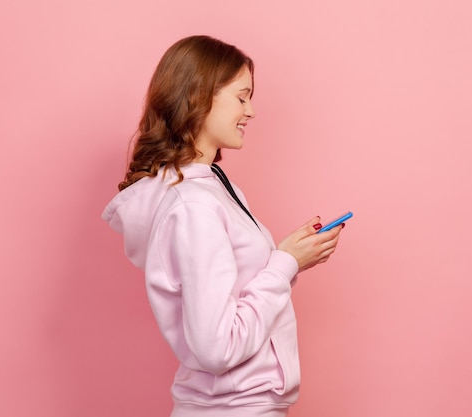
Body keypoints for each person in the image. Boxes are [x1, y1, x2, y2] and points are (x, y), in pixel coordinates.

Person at [102, 35, 345, 417]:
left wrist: (291, 257)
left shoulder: (210, 185)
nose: (250, 111)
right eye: (241, 96)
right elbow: (218, 348)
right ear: (200, 96)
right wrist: (284, 263)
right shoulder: (195, 205)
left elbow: (238, 295)